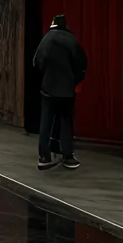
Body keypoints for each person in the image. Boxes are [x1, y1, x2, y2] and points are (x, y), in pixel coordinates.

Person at [32, 14, 87, 171]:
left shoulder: (46, 39)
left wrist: (44, 79)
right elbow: (82, 63)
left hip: (48, 88)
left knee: (46, 121)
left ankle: (44, 156)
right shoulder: (72, 40)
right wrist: (73, 81)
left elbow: (37, 62)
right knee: (65, 122)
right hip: (66, 91)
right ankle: (67, 156)